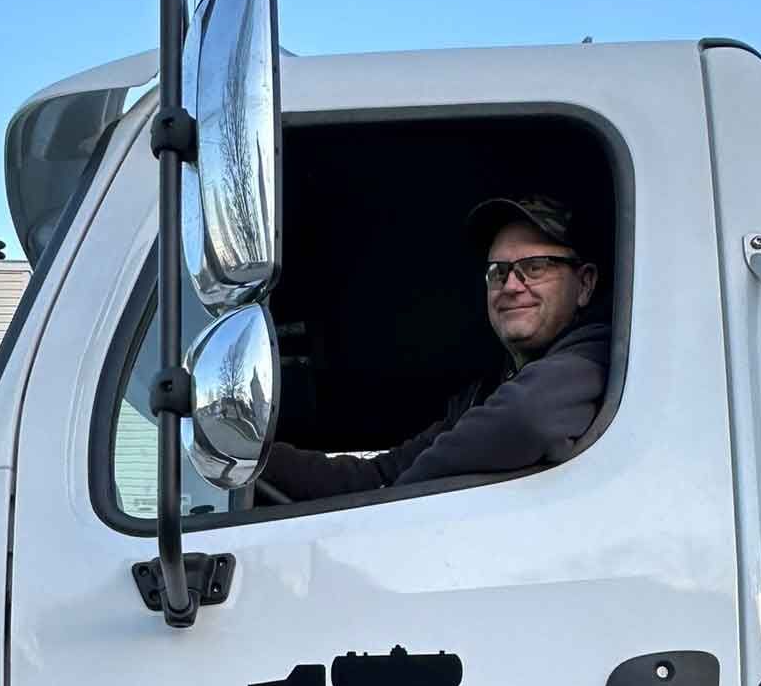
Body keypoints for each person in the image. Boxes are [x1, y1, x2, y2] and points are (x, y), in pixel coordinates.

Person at [258, 196, 611, 500]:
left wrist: (394, 509)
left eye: (535, 268)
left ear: (584, 284)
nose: (512, 285)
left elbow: (527, 417)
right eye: (497, 272)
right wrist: (252, 459)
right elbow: (383, 475)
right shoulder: (485, 392)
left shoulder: (596, 355)